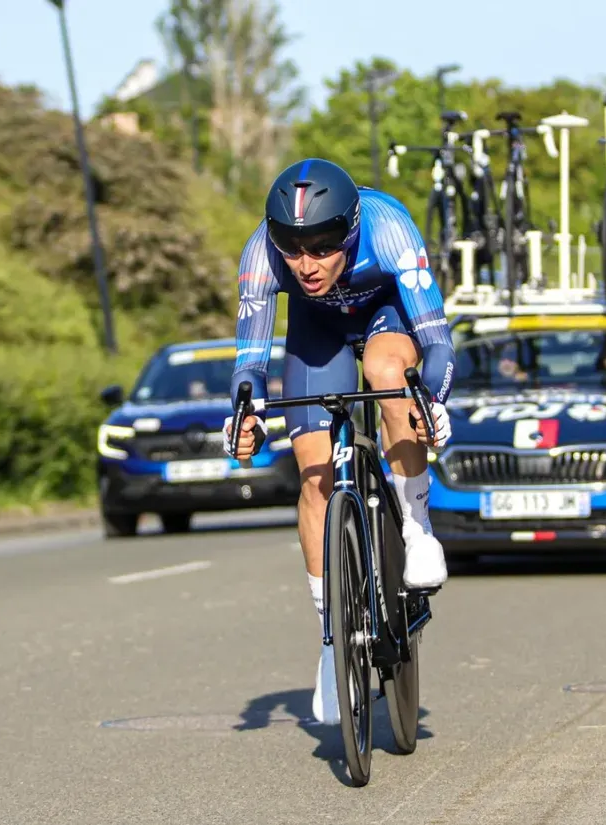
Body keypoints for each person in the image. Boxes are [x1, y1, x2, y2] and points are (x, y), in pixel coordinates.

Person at [222, 158, 456, 725]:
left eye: (324, 248)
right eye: (293, 249)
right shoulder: (260, 254)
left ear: (350, 232)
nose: (306, 264)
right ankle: (333, 641)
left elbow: (437, 342)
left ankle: (416, 526)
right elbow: (249, 363)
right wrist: (244, 416)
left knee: (385, 372)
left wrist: (432, 400)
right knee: (314, 476)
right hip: (317, 332)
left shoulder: (389, 228)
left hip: (387, 315)